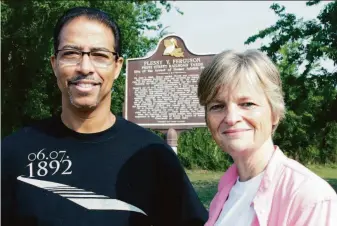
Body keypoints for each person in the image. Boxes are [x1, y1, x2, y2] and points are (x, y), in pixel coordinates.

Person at [1, 7, 207, 226]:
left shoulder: (152, 155)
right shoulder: (13, 153)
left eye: (100, 55)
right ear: (54, 64)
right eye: (71, 53)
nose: (85, 67)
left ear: (117, 67)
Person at [197, 49, 337, 226]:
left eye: (247, 104)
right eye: (217, 106)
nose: (231, 118)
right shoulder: (226, 191)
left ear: (275, 113)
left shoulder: (309, 198)